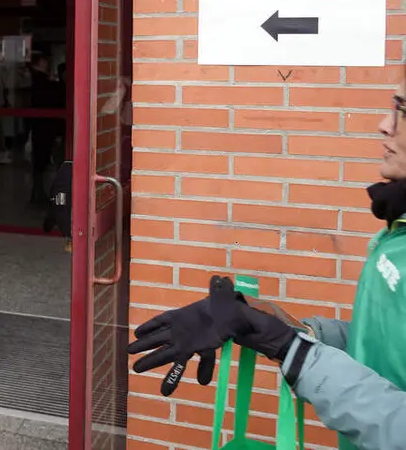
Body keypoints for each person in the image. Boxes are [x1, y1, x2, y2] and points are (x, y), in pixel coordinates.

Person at [128, 76, 406, 450]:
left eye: (400, 110)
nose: (385, 124)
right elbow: (386, 342)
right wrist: (274, 324)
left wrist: (294, 351)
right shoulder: (396, 231)